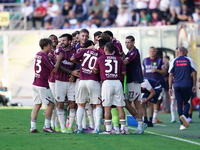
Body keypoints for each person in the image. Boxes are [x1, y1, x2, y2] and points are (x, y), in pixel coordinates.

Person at [30, 38, 63, 133]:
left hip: (35, 83)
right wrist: (58, 60)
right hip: (42, 85)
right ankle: (47, 126)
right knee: (51, 104)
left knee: (37, 105)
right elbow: (54, 69)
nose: (51, 47)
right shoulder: (44, 57)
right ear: (45, 46)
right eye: (49, 45)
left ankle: (33, 127)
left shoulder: (38, 55)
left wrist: (48, 58)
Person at [93, 42, 127, 134]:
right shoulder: (119, 59)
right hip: (118, 82)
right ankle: (124, 129)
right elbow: (124, 72)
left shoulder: (100, 59)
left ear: (105, 49)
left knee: (107, 107)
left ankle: (108, 130)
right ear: (114, 50)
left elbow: (95, 71)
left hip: (107, 83)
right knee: (120, 107)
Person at [70, 40, 103, 134]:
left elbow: (72, 59)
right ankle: (97, 128)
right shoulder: (99, 53)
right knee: (97, 104)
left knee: (81, 104)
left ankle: (79, 128)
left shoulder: (84, 51)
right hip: (93, 80)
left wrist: (81, 62)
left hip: (82, 80)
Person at [168, 46, 196, 130]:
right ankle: (184, 116)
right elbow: (194, 74)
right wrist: (194, 85)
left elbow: (170, 75)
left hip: (176, 85)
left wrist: (170, 87)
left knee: (179, 103)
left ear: (178, 52)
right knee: (187, 102)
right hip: (187, 84)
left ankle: (181, 124)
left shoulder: (174, 61)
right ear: (185, 51)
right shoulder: (189, 60)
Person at [124, 35, 147, 133]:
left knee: (137, 103)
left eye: (128, 42)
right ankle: (140, 123)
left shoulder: (134, 52)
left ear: (133, 42)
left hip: (134, 80)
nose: (127, 44)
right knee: (126, 102)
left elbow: (124, 62)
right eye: (125, 42)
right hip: (130, 80)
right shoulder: (129, 52)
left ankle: (140, 126)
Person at [55, 34, 77, 133]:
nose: (62, 42)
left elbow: (79, 63)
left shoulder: (75, 50)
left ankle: (70, 126)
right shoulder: (59, 51)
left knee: (73, 103)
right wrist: (71, 72)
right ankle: (62, 126)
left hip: (72, 82)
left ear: (69, 41)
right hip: (60, 81)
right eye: (61, 40)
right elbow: (58, 66)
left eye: (64, 40)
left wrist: (75, 73)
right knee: (60, 103)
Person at [142, 46, 167, 125]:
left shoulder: (159, 60)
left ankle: (152, 119)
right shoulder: (145, 60)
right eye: (150, 51)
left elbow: (165, 71)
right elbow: (142, 72)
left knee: (152, 102)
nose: (152, 53)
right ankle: (145, 118)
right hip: (146, 84)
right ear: (149, 52)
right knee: (143, 101)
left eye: (153, 51)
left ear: (155, 52)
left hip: (156, 84)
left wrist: (156, 70)